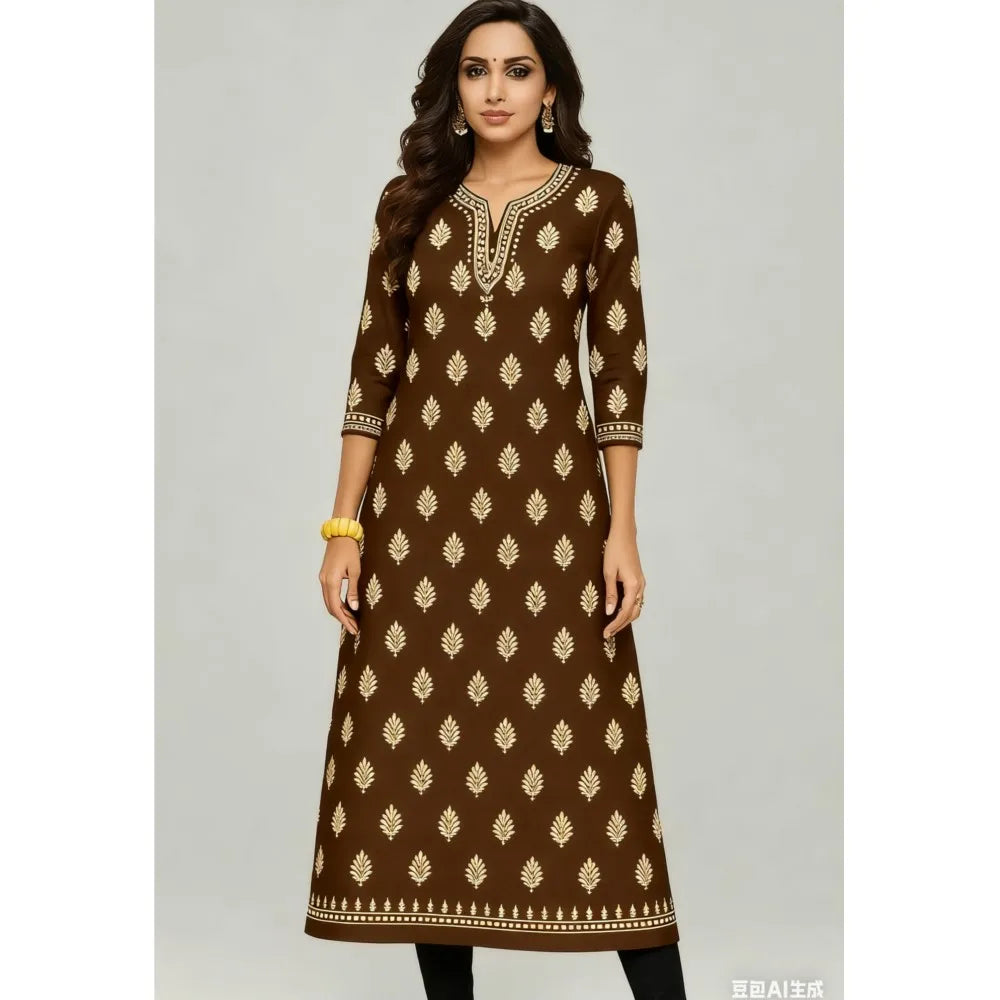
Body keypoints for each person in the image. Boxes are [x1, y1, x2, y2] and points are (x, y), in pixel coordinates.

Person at [305, 2, 687, 997]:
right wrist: (344, 529)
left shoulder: (597, 203)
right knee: (428, 781)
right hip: (419, 527)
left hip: (554, 525)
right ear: (454, 87)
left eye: (518, 70)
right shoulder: (410, 206)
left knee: (597, 772)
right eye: (476, 70)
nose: (495, 90)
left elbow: (620, 377)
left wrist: (622, 531)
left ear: (550, 87)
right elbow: (372, 374)